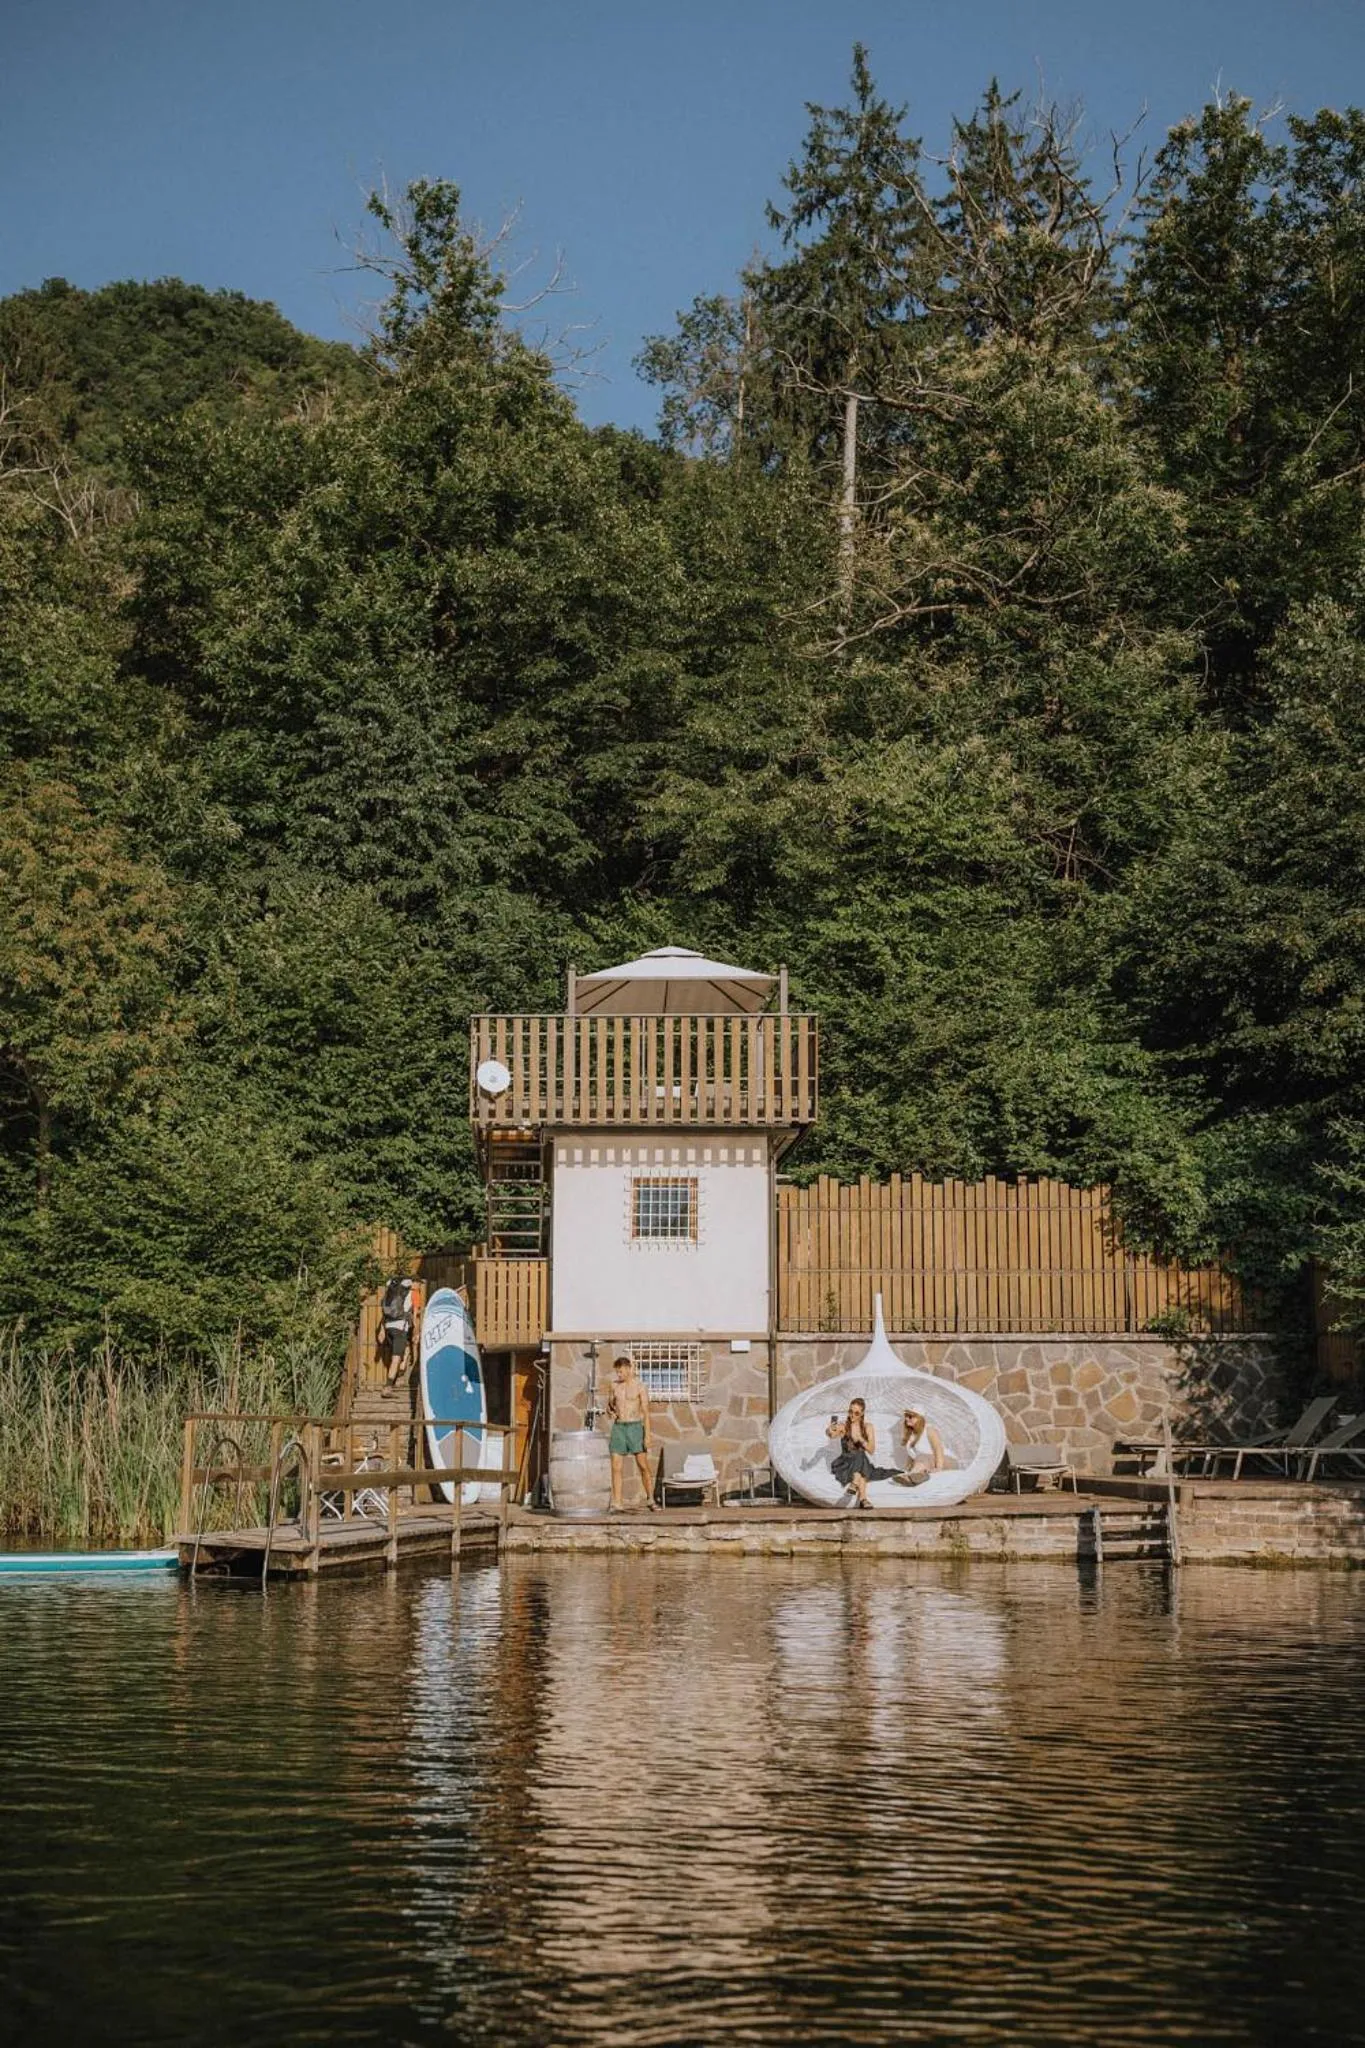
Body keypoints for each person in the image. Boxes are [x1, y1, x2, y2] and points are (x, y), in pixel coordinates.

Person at [606, 1354, 658, 1512]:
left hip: (635, 1427)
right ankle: (617, 1502)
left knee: (643, 1465)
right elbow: (609, 1406)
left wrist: (647, 1435)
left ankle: (650, 1499)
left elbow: (646, 1412)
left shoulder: (640, 1386)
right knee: (616, 1467)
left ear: (628, 1369)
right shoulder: (614, 1386)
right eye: (617, 1372)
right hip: (619, 1428)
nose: (619, 1375)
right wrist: (610, 1412)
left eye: (621, 1371)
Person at [825, 1396, 893, 1510]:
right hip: (845, 1463)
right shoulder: (843, 1426)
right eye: (850, 1411)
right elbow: (831, 1435)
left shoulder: (868, 1427)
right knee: (861, 1457)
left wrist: (861, 1439)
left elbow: (871, 1450)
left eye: (856, 1413)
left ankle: (858, 1490)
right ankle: (863, 1498)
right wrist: (830, 1430)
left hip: (861, 1463)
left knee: (861, 1457)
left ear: (862, 1413)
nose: (852, 1415)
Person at [895, 1407, 946, 1487]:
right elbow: (912, 1454)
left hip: (944, 1460)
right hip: (926, 1462)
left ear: (919, 1418)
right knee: (921, 1458)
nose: (906, 1418)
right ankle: (913, 1476)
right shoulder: (911, 1434)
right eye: (906, 1416)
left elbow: (938, 1448)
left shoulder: (929, 1429)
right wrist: (906, 1468)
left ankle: (911, 1476)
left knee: (922, 1457)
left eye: (910, 1416)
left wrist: (939, 1467)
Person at [381, 1275, 416, 1387]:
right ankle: (388, 1387)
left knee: (404, 1350)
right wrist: (416, 1330)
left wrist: (381, 1330)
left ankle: (400, 1373)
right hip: (400, 1328)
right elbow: (414, 1313)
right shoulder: (409, 1294)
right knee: (396, 1357)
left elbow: (384, 1314)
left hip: (388, 1327)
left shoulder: (388, 1295)